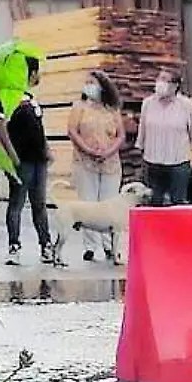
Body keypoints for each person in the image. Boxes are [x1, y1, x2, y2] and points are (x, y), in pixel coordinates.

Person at [0, 54, 58, 267]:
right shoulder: (9, 96)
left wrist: (47, 149)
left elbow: (39, 129)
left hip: (38, 159)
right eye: (37, 71)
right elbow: (1, 125)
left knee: (39, 203)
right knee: (17, 204)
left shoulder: (32, 98)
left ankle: (45, 245)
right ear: (31, 73)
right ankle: (14, 246)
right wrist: (12, 155)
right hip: (22, 160)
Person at [68, 70, 126, 262]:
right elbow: (72, 131)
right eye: (86, 83)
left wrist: (108, 151)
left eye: (91, 82)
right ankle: (90, 246)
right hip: (85, 162)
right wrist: (88, 149)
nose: (88, 86)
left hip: (110, 162)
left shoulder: (112, 108)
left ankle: (110, 246)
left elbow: (121, 135)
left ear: (102, 86)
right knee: (89, 203)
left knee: (109, 204)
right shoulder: (80, 107)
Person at [137, 68, 192, 207]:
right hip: (153, 161)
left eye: (165, 80)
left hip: (178, 162)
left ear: (175, 85)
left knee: (177, 203)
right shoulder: (148, 103)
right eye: (159, 79)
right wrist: (141, 148)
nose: (160, 83)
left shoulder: (186, 105)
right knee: (154, 202)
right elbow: (143, 129)